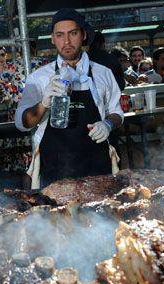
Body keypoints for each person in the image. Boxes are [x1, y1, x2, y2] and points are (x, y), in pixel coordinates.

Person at [15, 8, 123, 189]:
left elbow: (116, 112)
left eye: (73, 33)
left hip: (98, 168)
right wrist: (43, 104)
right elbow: (22, 123)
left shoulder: (103, 73)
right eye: (59, 35)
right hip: (55, 171)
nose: (66, 41)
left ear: (83, 35)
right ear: (52, 39)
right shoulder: (39, 78)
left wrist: (108, 124)